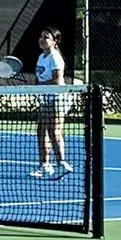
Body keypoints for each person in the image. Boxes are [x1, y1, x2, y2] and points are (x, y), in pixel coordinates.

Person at [30, 27, 74, 179]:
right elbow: (40, 78)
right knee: (41, 131)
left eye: (46, 37)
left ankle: (62, 163)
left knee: (54, 132)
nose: (42, 39)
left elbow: (57, 80)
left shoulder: (55, 57)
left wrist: (40, 87)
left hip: (58, 99)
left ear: (55, 41)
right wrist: (37, 88)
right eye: (41, 36)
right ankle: (45, 165)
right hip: (45, 99)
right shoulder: (41, 57)